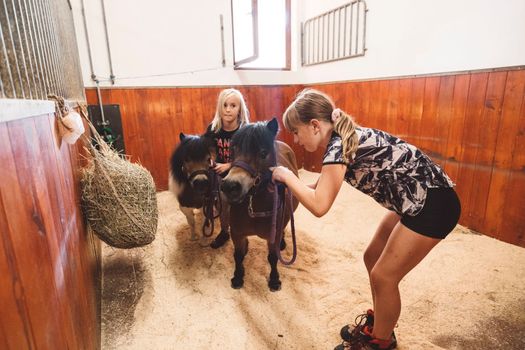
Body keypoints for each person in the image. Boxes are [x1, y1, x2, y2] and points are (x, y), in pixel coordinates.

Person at [271, 89, 461, 350]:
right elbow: (322, 186)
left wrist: (287, 176)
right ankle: (382, 324)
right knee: (372, 257)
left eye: (295, 131)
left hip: (432, 204)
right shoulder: (340, 138)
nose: (295, 139)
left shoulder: (338, 146)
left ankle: (380, 342)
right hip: (415, 198)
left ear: (314, 125)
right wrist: (291, 184)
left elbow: (319, 205)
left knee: (384, 276)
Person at [206, 88, 250, 249]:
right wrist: (211, 160)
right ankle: (225, 230)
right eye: (224, 105)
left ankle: (243, 230)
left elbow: (248, 155)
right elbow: (209, 148)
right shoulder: (213, 128)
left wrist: (229, 165)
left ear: (240, 110)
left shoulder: (245, 130)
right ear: (220, 107)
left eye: (233, 105)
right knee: (219, 198)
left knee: (236, 200)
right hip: (218, 169)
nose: (228, 109)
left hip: (239, 170)